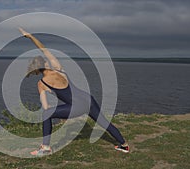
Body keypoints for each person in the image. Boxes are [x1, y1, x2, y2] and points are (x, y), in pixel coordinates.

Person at [18, 28, 129, 156]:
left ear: (35, 70)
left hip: (76, 106)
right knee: (103, 122)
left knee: (47, 113)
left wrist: (62, 113)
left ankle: (46, 148)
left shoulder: (41, 84)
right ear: (45, 62)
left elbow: (46, 107)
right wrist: (30, 36)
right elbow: (44, 49)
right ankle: (124, 145)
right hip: (88, 99)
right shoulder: (58, 68)